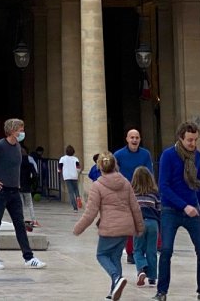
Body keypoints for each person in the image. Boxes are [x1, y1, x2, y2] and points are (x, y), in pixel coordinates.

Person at [0, 118, 46, 270]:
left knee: (20, 224)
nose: (23, 132)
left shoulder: (18, 146)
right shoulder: (0, 146)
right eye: (20, 130)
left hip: (14, 191)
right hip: (0, 191)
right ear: (13, 131)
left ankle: (29, 257)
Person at [74, 150, 144, 301]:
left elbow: (90, 213)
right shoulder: (125, 182)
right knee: (116, 257)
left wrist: (78, 228)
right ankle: (114, 291)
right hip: (125, 228)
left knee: (102, 255)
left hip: (109, 228)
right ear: (115, 165)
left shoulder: (98, 185)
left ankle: (116, 277)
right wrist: (139, 228)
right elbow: (135, 207)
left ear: (99, 167)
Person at [155, 121, 200, 301]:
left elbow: (198, 184)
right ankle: (161, 292)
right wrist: (183, 206)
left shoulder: (197, 156)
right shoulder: (168, 155)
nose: (193, 144)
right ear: (181, 138)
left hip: (192, 209)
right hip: (171, 210)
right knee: (166, 250)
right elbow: (163, 186)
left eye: (195, 140)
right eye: (189, 140)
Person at [114, 128, 153, 264]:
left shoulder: (145, 154)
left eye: (137, 137)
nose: (134, 140)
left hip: (142, 193)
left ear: (140, 139)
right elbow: (114, 174)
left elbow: (149, 173)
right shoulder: (118, 155)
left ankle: (142, 251)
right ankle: (130, 251)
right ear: (127, 139)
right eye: (132, 137)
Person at [131, 166, 161, 289]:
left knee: (137, 249)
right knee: (152, 251)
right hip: (153, 224)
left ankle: (141, 269)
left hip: (139, 224)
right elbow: (159, 210)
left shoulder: (132, 194)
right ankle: (153, 277)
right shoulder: (155, 194)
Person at [20, 145, 39, 226]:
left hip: (18, 186)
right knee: (30, 204)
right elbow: (35, 175)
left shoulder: (17, 164)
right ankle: (34, 220)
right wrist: (32, 183)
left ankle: (21, 220)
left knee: (20, 205)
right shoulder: (30, 164)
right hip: (27, 186)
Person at [59, 144, 81, 211]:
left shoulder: (62, 158)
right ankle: (78, 197)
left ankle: (75, 207)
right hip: (74, 175)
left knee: (71, 192)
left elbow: (59, 168)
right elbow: (78, 167)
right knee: (76, 189)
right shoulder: (75, 159)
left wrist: (59, 172)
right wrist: (77, 173)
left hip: (67, 176)